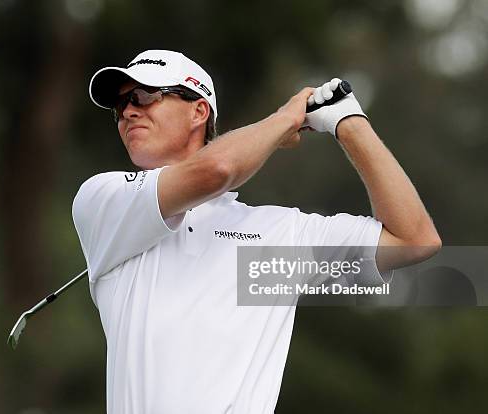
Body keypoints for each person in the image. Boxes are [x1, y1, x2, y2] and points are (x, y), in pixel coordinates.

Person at [72, 49, 441, 413]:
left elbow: (413, 240)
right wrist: (284, 120)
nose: (129, 111)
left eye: (144, 96)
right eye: (120, 106)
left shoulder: (276, 234)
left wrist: (350, 123)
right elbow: (216, 169)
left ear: (198, 111)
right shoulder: (104, 199)